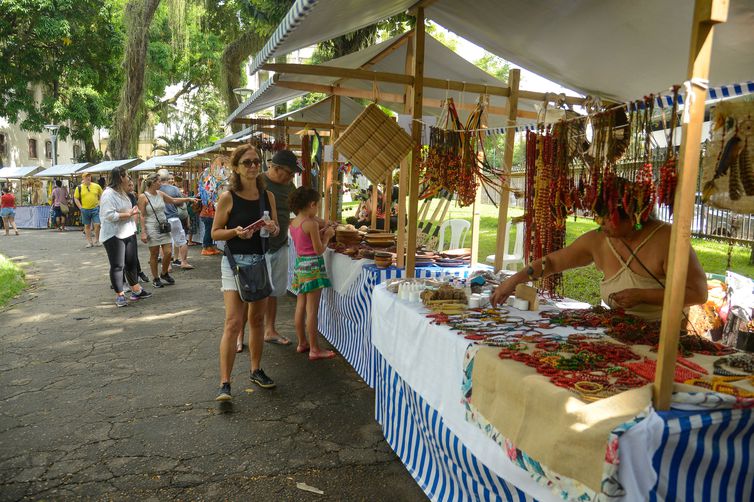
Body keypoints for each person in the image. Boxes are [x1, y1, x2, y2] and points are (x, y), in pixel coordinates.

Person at [490, 209, 708, 321]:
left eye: (607, 219)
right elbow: (553, 262)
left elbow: (698, 294)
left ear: (633, 217)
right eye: (599, 219)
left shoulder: (667, 240)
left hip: (665, 338)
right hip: (618, 332)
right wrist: (513, 281)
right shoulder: (599, 240)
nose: (600, 225)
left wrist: (643, 296)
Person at [212, 144, 280, 401]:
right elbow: (215, 233)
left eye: (256, 162)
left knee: (258, 321)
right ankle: (225, 383)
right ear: (236, 167)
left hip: (260, 261)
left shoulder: (267, 196)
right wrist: (236, 232)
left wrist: (272, 228)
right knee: (233, 323)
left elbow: (275, 230)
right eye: (247, 162)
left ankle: (256, 369)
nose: (253, 166)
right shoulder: (228, 197)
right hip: (234, 264)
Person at [255, 149, 302, 349]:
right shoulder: (257, 182)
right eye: (290, 173)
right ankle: (239, 334)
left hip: (280, 244)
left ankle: (270, 330)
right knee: (252, 292)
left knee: (274, 290)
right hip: (256, 247)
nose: (292, 178)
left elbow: (299, 209)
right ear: (276, 168)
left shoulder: (288, 186)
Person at [288, 186, 337, 360]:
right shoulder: (311, 224)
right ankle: (315, 349)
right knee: (312, 310)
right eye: (317, 205)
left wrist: (321, 231)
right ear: (311, 204)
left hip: (301, 266)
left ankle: (302, 342)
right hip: (313, 268)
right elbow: (318, 250)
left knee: (300, 306)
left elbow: (305, 241)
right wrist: (328, 236)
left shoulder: (294, 222)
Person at [99, 167, 153, 307]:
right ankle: (120, 295)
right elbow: (109, 215)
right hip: (114, 234)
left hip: (128, 231)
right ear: (120, 177)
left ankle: (136, 289)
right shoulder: (108, 194)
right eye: (127, 176)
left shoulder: (124, 193)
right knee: (118, 265)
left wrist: (132, 214)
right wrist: (128, 214)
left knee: (131, 262)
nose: (129, 178)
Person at [137, 173, 196, 289]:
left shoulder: (160, 194)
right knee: (154, 254)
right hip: (151, 227)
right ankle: (155, 278)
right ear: (153, 183)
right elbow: (142, 215)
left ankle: (164, 273)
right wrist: (143, 232)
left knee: (168, 252)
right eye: (159, 181)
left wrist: (188, 199)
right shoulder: (143, 197)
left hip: (163, 225)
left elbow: (173, 200)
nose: (161, 183)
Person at [158, 170, 193, 270]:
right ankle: (184, 262)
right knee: (182, 241)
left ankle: (167, 265)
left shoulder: (156, 189)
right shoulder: (174, 189)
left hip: (162, 219)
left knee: (164, 243)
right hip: (174, 217)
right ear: (168, 177)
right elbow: (179, 203)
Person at [74, 172, 103, 247]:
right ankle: (89, 242)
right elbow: (76, 198)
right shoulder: (79, 188)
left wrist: (99, 204)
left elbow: (102, 195)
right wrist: (80, 207)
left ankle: (97, 240)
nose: (88, 178)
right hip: (85, 209)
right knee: (87, 226)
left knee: (97, 224)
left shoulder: (97, 186)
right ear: (83, 178)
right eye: (86, 176)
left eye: (89, 176)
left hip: (95, 208)